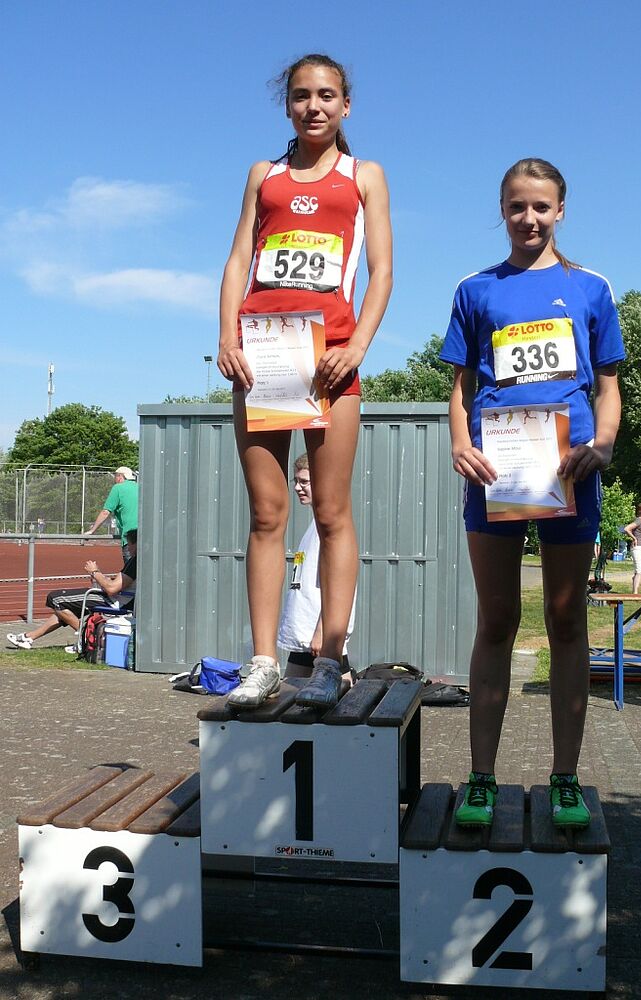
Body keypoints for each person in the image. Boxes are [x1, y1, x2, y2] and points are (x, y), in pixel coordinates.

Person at [440, 157, 625, 830]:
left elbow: (608, 387)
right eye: (517, 206)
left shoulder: (591, 288)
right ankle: (481, 777)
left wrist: (604, 444)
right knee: (496, 621)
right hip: (498, 472)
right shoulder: (475, 289)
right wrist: (459, 442)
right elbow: (460, 387)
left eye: (541, 206)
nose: (529, 218)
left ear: (561, 210)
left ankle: (565, 778)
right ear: (502, 210)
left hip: (569, 471)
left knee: (567, 620)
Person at [217, 54, 392, 709]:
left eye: (325, 95)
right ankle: (264, 661)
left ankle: (329, 659)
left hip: (330, 361)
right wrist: (227, 338)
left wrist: (358, 347)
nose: (313, 106)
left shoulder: (364, 175)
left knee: (331, 511)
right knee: (267, 513)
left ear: (345, 105)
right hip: (264, 355)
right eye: (300, 96)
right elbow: (240, 257)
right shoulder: (262, 175)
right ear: (286, 105)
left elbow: (382, 271)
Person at [278, 454, 355, 683]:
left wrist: (323, 631)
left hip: (318, 636)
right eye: (296, 481)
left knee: (338, 692)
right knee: (291, 693)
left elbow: (340, 584)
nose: (297, 488)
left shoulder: (329, 533)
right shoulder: (313, 528)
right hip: (305, 635)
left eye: (305, 482)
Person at [7, 529, 137, 650]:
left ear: (136, 544)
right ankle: (28, 638)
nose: (127, 549)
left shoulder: (135, 561)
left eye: (129, 545)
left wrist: (95, 572)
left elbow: (112, 588)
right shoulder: (137, 561)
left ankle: (86, 638)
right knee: (64, 609)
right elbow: (116, 583)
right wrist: (99, 577)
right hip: (118, 598)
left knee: (56, 599)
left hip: (114, 601)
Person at [85, 467, 139, 565]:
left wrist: (92, 530)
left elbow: (106, 512)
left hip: (130, 538)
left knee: (131, 571)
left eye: (115, 476)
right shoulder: (140, 487)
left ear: (120, 476)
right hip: (146, 538)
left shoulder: (118, 488)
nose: (115, 479)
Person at [624, 503, 641, 594]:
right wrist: (634, 538)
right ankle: (635, 593)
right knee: (639, 571)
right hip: (638, 548)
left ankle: (635, 588)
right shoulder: (639, 520)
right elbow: (627, 529)